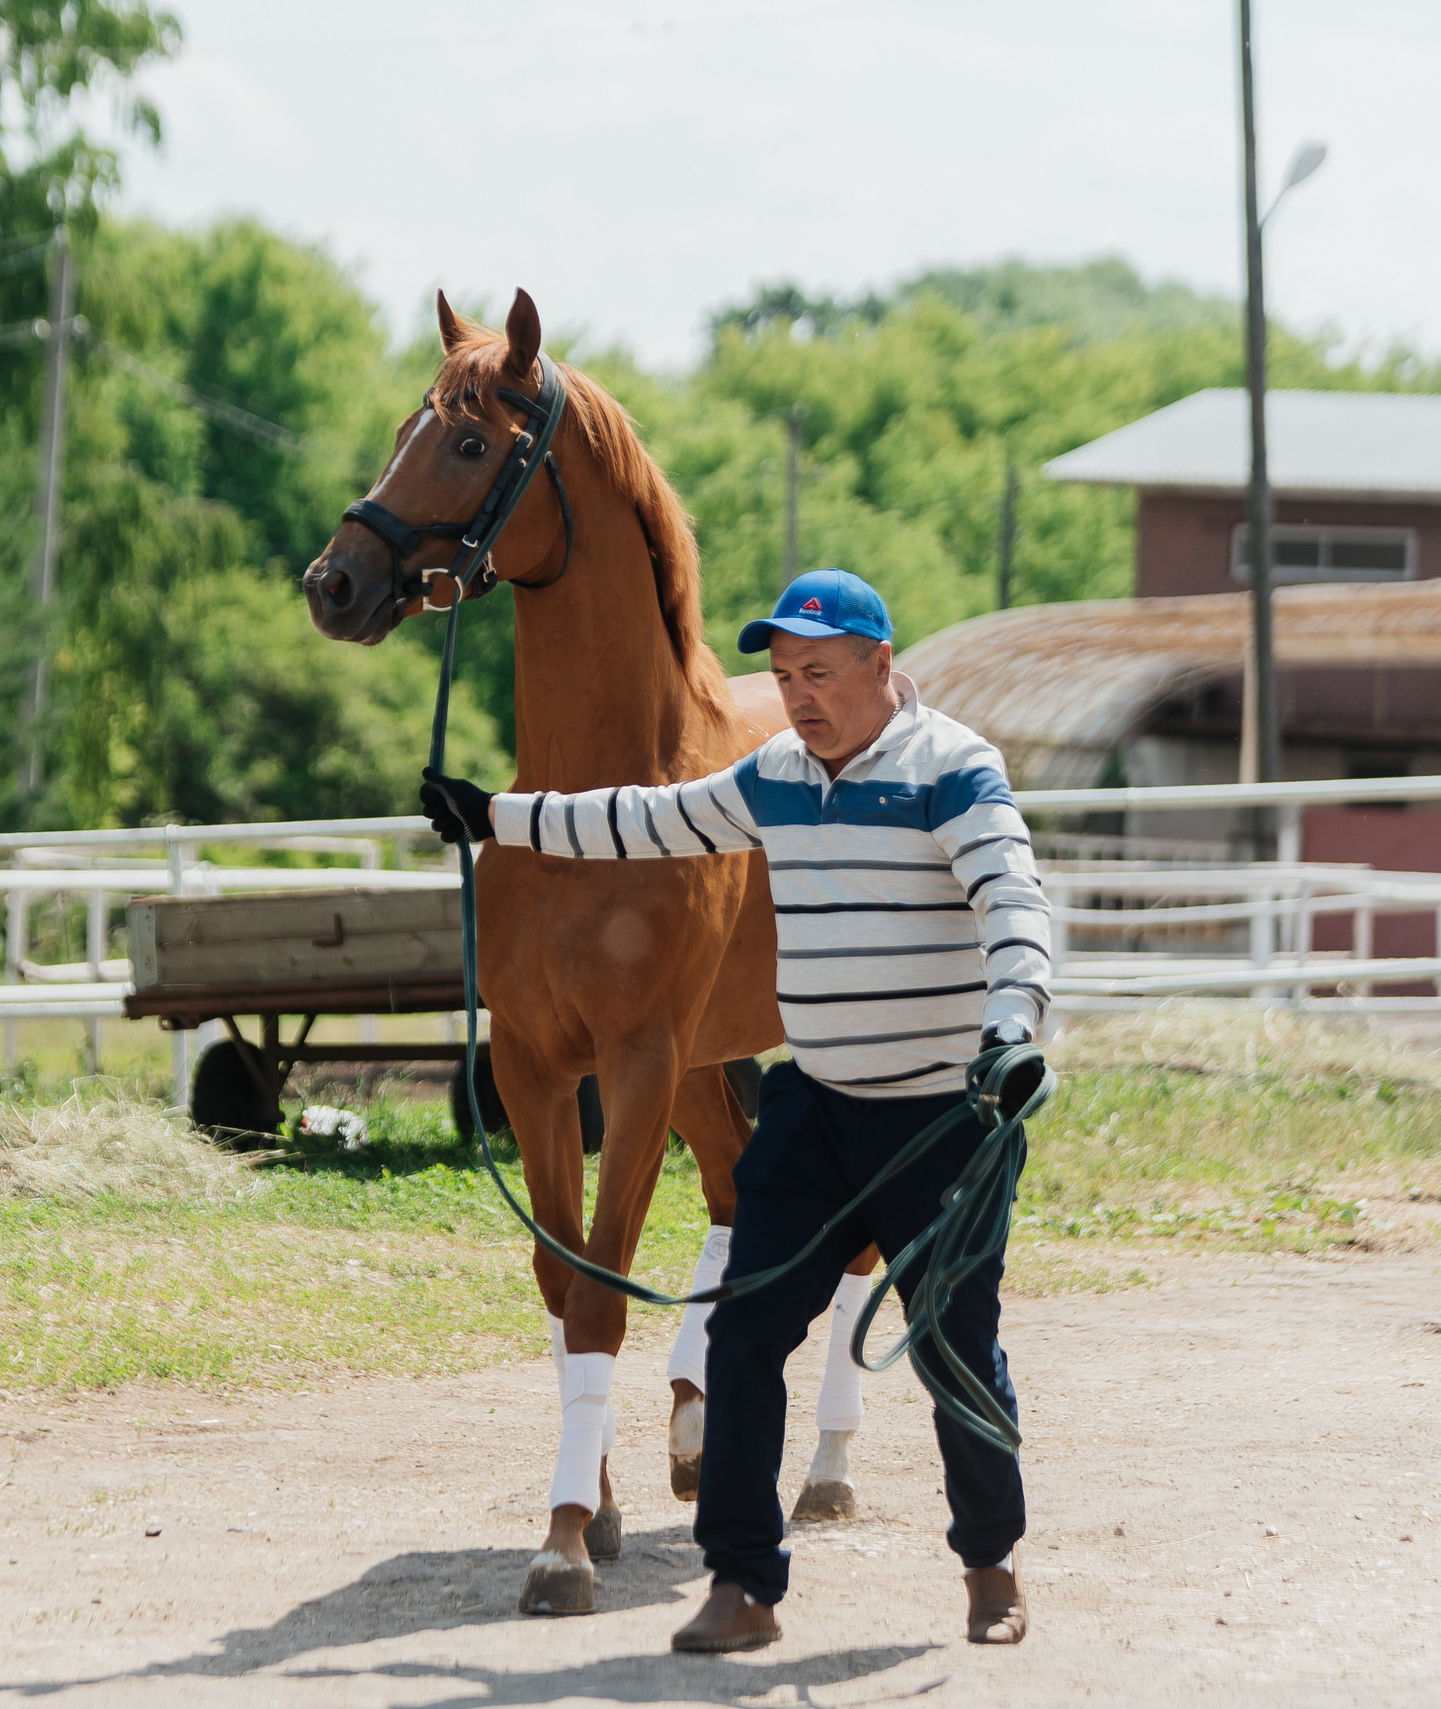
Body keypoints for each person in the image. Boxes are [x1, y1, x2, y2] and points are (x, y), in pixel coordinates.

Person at [420, 566, 1052, 1652]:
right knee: (743, 1337)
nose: (797, 693)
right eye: (782, 673)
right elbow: (645, 820)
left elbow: (1011, 899)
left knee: (954, 1342)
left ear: (878, 665)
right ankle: (743, 1583)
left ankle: (990, 1564)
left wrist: (1012, 1027)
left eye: (817, 672)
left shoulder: (954, 768)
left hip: (938, 1113)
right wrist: (496, 815)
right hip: (815, 1110)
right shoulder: (772, 775)